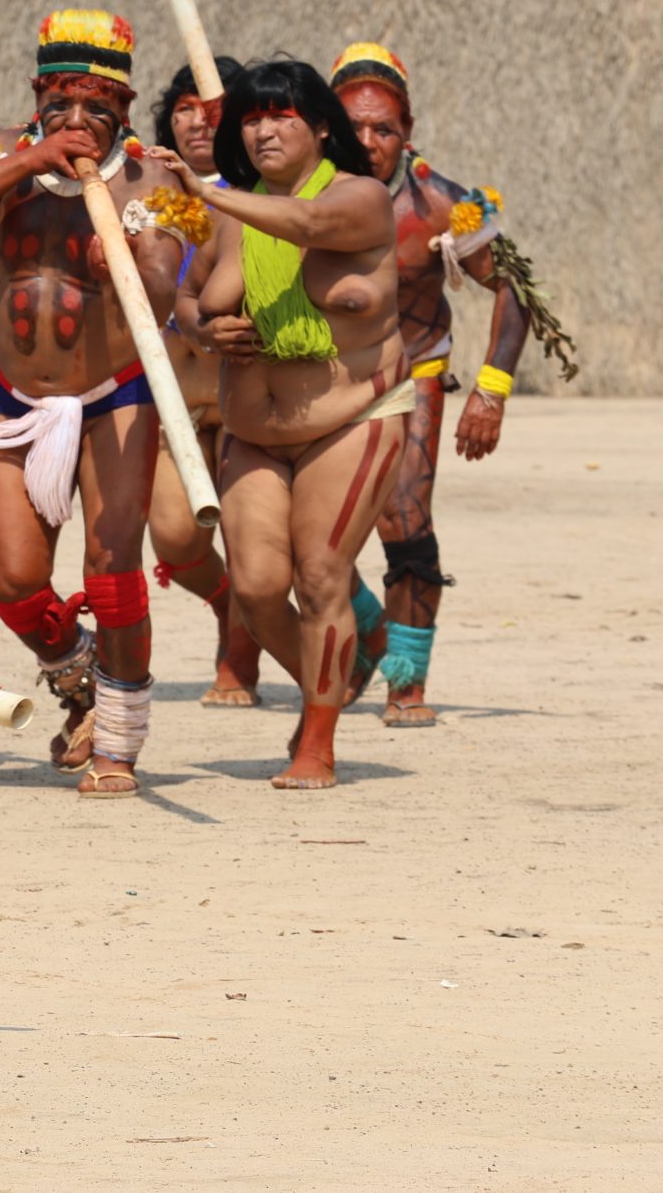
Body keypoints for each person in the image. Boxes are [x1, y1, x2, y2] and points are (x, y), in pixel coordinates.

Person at [0, 11, 186, 799]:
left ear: (125, 110)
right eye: (63, 101)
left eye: (99, 106)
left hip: (114, 394)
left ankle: (120, 744)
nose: (80, 120)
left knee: (112, 568)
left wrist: (128, 258)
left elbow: (163, 286)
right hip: (17, 395)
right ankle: (85, 679)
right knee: (16, 583)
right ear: (36, 95)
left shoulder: (148, 178)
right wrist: (28, 159)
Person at [157, 57, 404, 790]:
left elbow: (309, 222)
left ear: (321, 127)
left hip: (351, 415)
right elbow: (191, 298)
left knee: (321, 572)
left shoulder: (361, 199)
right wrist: (207, 332)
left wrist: (212, 194)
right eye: (252, 118)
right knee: (259, 587)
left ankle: (317, 743)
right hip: (255, 428)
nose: (262, 129)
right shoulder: (234, 215)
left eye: (279, 115)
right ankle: (323, 686)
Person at [328, 42, 575, 726]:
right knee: (300, 532)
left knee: (404, 521)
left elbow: (514, 290)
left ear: (409, 131)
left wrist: (491, 390)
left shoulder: (440, 203)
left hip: (413, 374)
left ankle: (407, 676)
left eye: (385, 129)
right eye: (355, 128)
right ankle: (371, 630)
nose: (370, 142)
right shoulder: (304, 194)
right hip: (325, 379)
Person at [144, 56, 261, 707]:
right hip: (173, 401)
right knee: (177, 538)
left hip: (244, 396)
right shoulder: (146, 182)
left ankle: (238, 661)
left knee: (249, 540)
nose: (196, 119)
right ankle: (227, 609)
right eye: (185, 106)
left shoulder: (261, 187)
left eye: (211, 109)